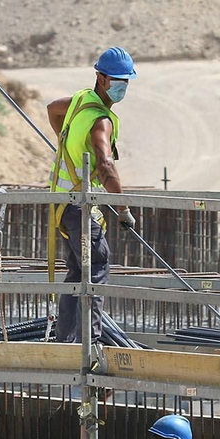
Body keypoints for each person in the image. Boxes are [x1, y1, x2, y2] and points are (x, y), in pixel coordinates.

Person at [45, 45, 137, 345]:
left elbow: (53, 110)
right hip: (79, 206)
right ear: (101, 78)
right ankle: (91, 343)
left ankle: (67, 340)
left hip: (63, 203)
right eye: (117, 80)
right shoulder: (101, 119)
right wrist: (123, 210)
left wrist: (67, 142)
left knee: (77, 271)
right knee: (96, 267)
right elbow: (106, 164)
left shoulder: (81, 101)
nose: (122, 86)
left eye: (126, 81)